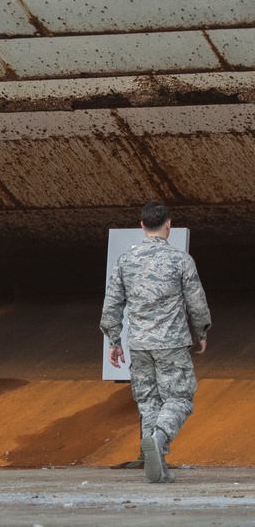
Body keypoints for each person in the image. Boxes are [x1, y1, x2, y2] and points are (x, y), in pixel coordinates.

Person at [100, 201, 212, 484]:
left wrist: (114, 340)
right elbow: (196, 303)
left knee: (149, 400)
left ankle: (158, 465)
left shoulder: (126, 260)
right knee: (179, 398)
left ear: (142, 226)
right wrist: (201, 333)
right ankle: (159, 435)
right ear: (169, 225)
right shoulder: (181, 260)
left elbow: (112, 304)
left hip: (139, 345)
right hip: (172, 343)